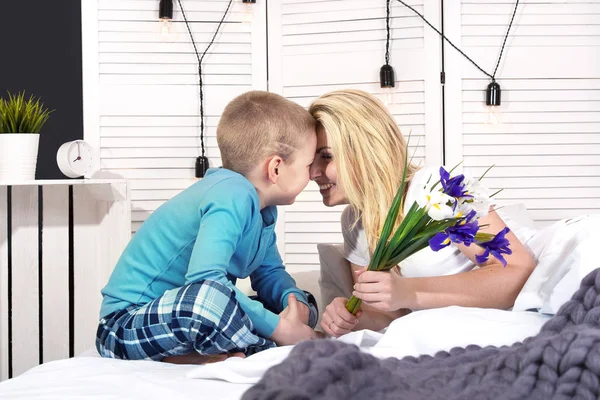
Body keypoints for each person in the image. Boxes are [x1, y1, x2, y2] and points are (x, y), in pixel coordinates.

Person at [96, 91, 320, 364]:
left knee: (306, 301)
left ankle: (235, 348)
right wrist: (280, 327)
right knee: (209, 298)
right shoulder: (231, 194)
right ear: (275, 168)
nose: (315, 173)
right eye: (309, 164)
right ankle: (264, 345)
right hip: (124, 326)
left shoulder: (263, 210)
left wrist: (291, 302)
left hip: (182, 320)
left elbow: (269, 273)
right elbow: (205, 280)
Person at [308, 89, 537, 337]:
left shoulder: (435, 188)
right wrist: (348, 317)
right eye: (311, 161)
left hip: (489, 330)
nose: (313, 173)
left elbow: (516, 269)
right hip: (431, 339)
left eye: (327, 157)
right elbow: (390, 316)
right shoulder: (354, 221)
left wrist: (408, 291)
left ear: (364, 150)